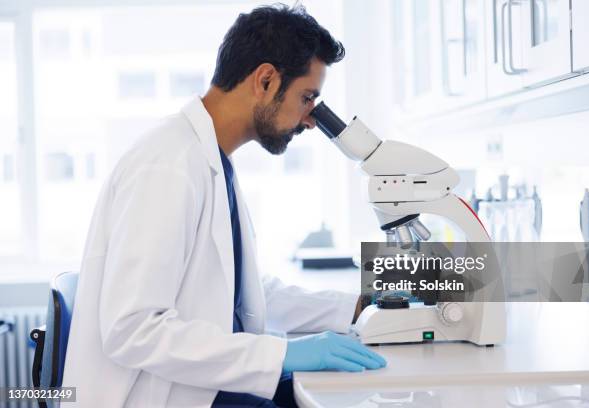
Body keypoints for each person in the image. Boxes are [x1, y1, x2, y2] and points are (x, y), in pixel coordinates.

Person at [63, 4, 385, 407]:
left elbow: (244, 293)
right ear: (265, 80)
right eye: (307, 98)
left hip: (199, 386)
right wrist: (281, 354)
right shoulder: (168, 166)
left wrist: (355, 306)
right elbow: (133, 328)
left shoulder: (211, 160)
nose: (309, 120)